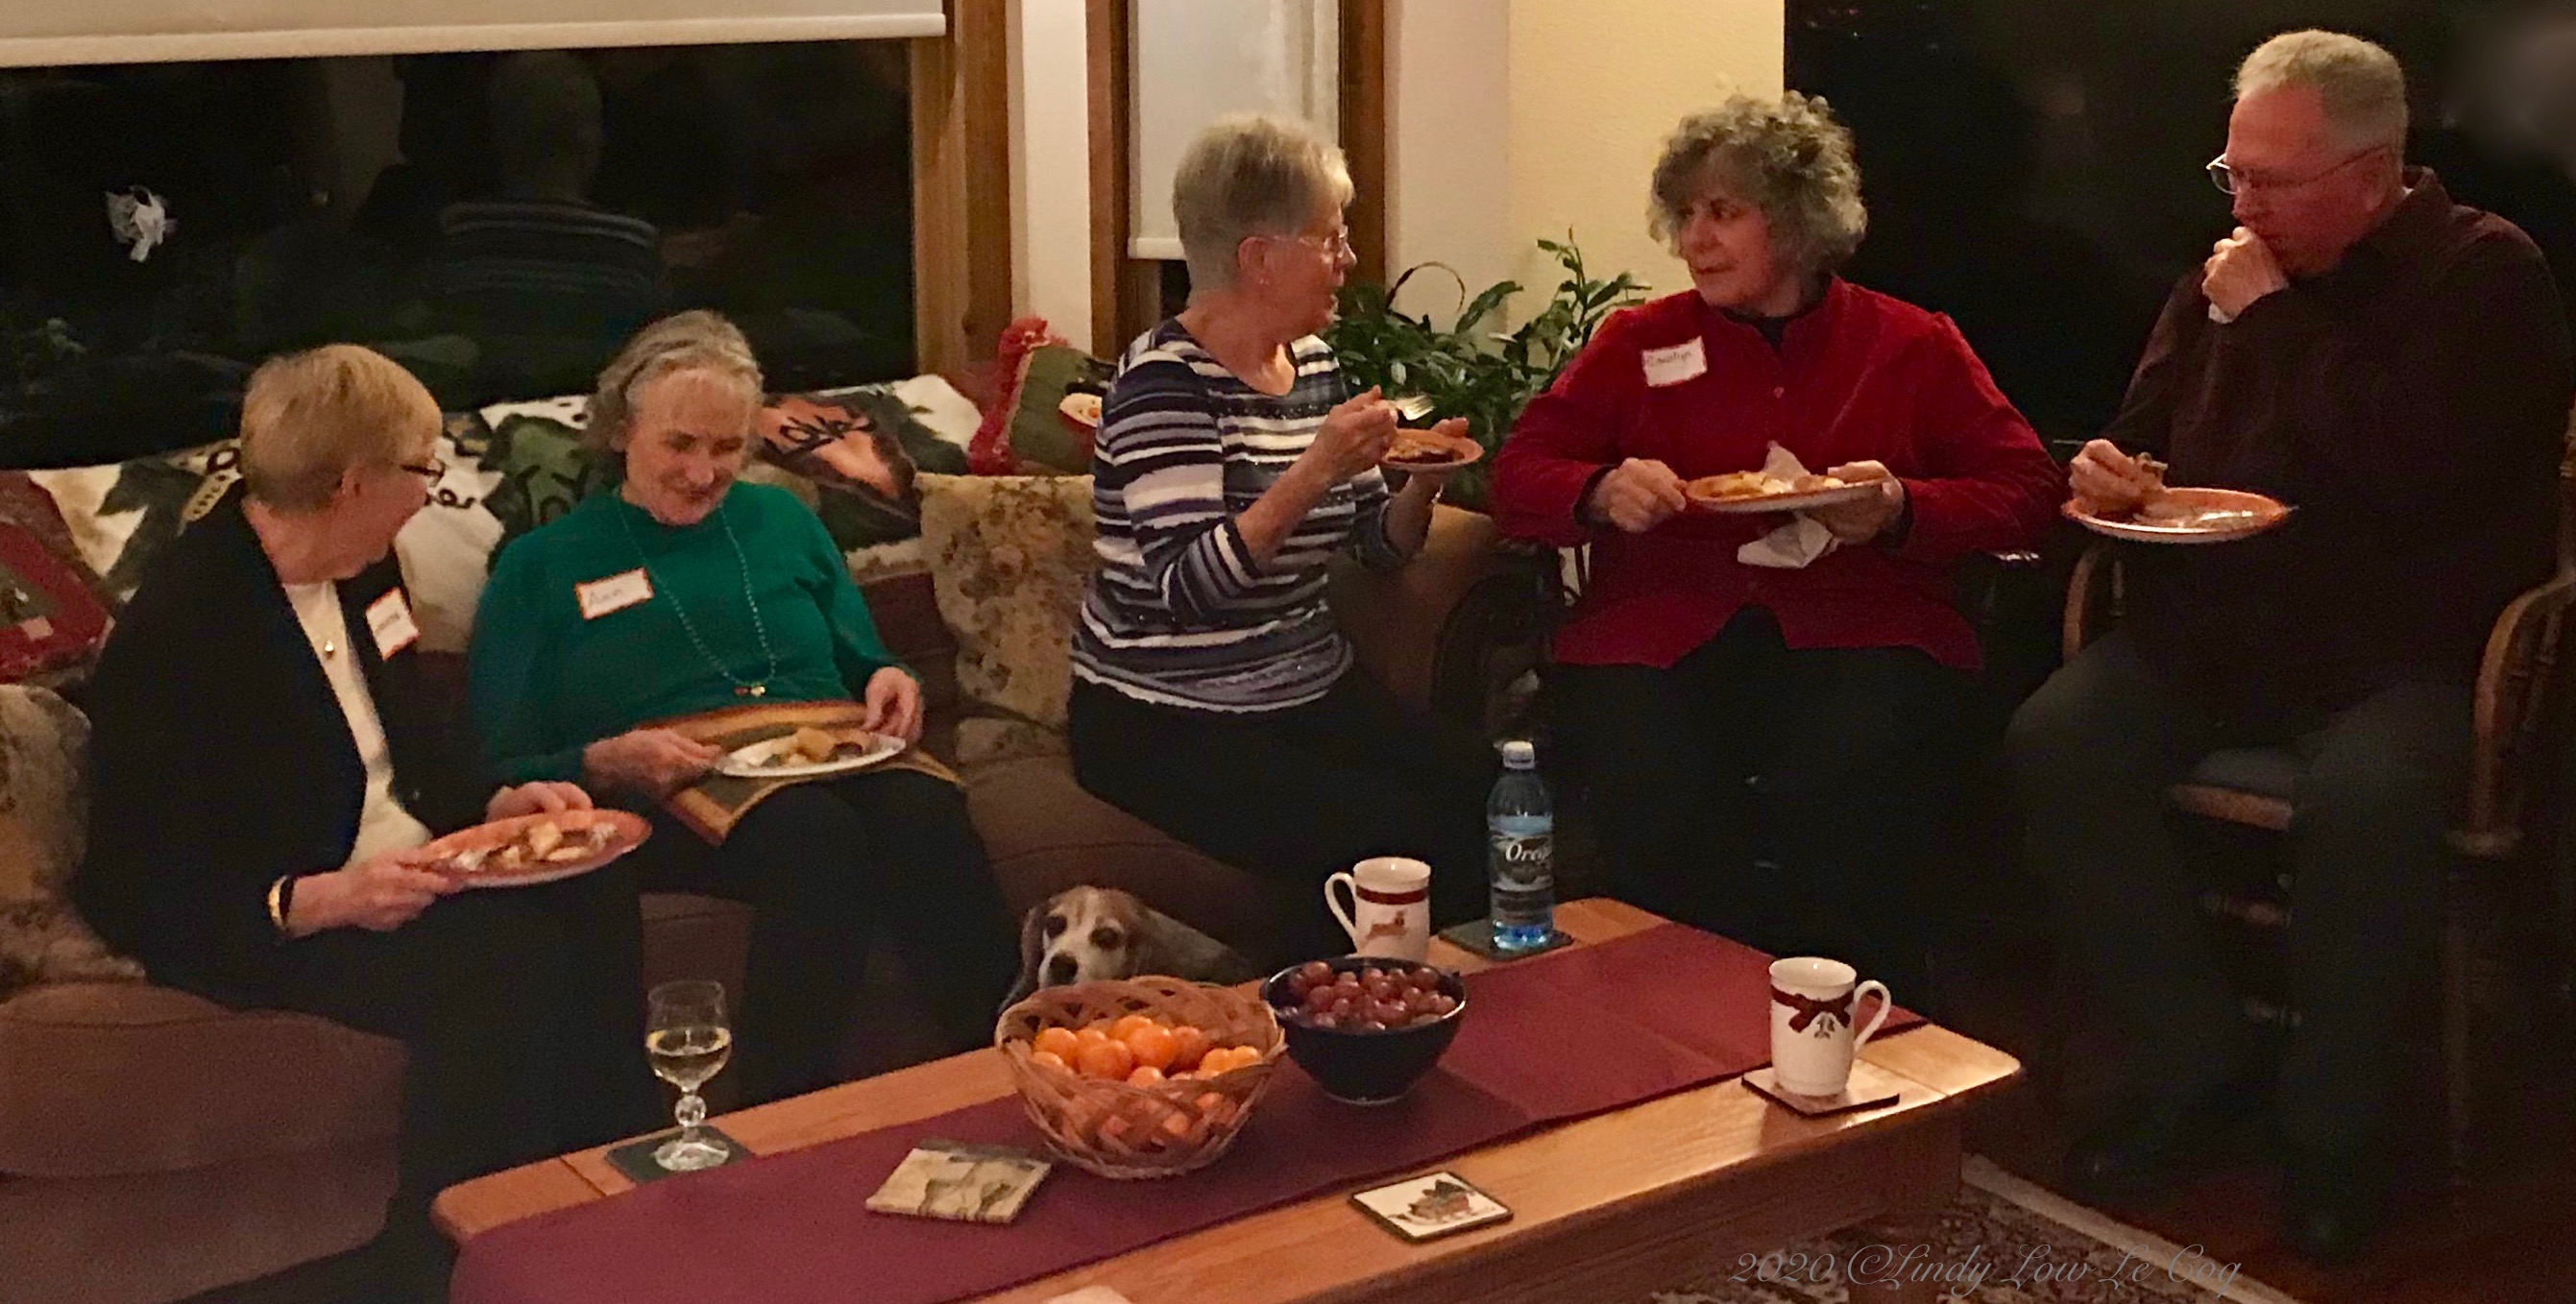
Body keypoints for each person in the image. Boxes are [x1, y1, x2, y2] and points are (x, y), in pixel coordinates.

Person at [2008, 31, 2575, 1263]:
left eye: (2272, 180)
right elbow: (2145, 432)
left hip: (2405, 651)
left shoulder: (2486, 276)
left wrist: (2271, 322)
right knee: (2059, 738)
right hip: (2218, 630)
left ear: (2373, 177)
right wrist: (2110, 471)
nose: (2244, 205)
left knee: (2369, 799)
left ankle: (2334, 1136)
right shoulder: (2227, 275)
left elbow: (2413, 471)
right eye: (2235, 174)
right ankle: (2197, 1061)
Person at [69, 345, 657, 1290]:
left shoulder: (364, 566)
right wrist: (319, 898)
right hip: (286, 913)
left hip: (413, 870)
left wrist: (496, 803)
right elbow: (134, 881)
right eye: (422, 467)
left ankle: (605, 1194)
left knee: (596, 884)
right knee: (508, 964)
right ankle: (448, 1259)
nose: (431, 490)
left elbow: (414, 736)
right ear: (352, 482)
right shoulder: (184, 630)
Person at [1488, 92, 2062, 1004]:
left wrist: (1901, 507)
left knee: (1852, 776)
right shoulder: (1641, 341)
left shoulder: (1910, 344)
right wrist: (1596, 490)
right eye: (1685, 214)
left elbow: (2028, 491)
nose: (1694, 240)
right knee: (1649, 768)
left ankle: (1850, 1021)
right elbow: (1517, 473)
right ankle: (1680, 1018)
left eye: (1723, 212)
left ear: (1795, 221)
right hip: (1663, 626)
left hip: (1860, 623)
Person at [469, 309, 1016, 1104]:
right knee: (815, 838)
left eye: (726, 447)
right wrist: (602, 761)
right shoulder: (540, 565)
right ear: (620, 430)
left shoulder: (782, 519)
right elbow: (505, 760)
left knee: (926, 814)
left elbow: (863, 658)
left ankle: (1009, 1074)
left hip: (826, 751)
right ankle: (781, 1111)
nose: (703, 472)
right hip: (665, 785)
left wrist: (892, 680)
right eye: (679, 445)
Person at [1067, 113, 1493, 959]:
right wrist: (1315, 467)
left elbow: (1376, 546)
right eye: (1330, 240)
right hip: (1165, 718)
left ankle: (1488, 1002)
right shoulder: (1162, 385)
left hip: (1302, 686)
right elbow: (1190, 588)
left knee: (1487, 786)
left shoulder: (1317, 365)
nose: (1348, 260)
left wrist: (1422, 484)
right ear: (1259, 258)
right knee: (1387, 837)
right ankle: (1349, 1018)